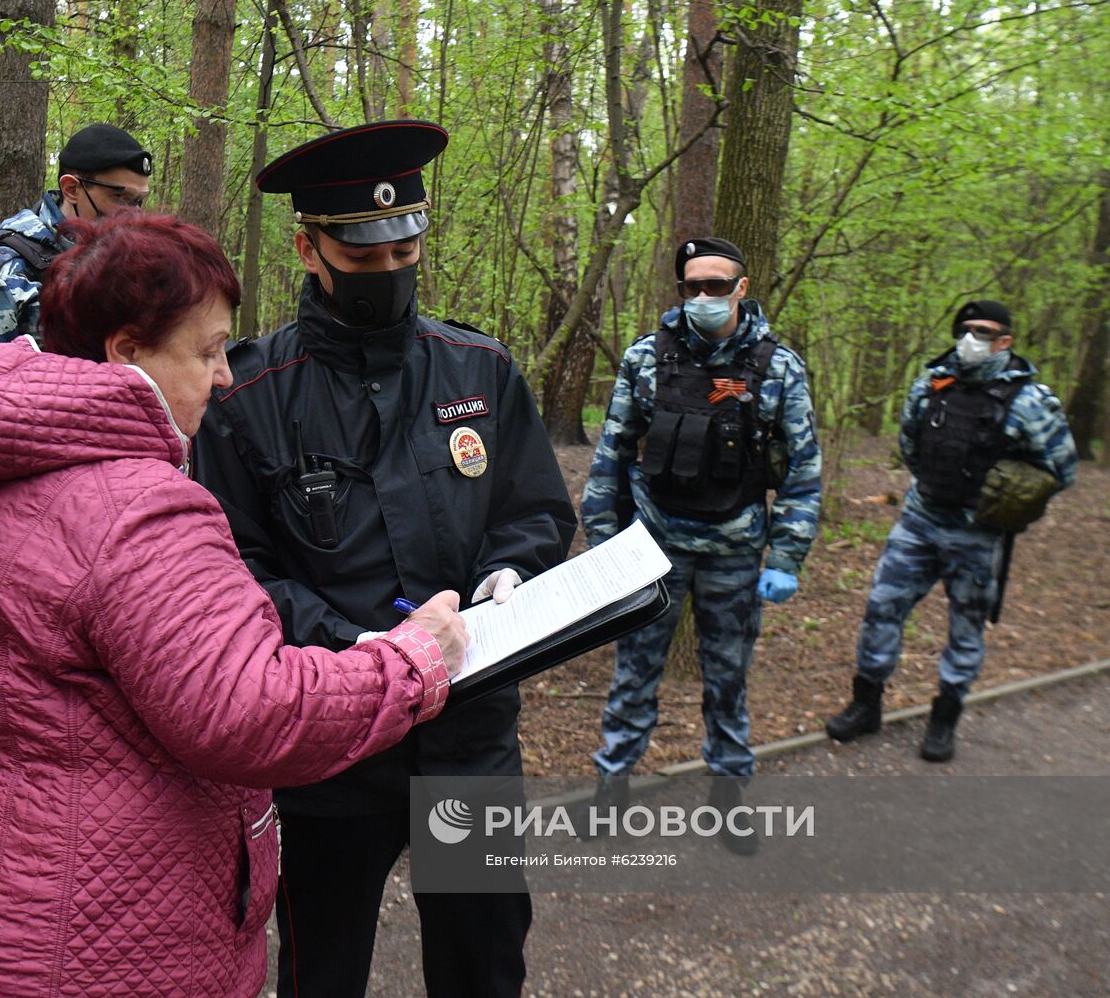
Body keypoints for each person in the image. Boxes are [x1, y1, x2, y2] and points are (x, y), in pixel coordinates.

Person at [0, 212, 467, 998]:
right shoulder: (145, 513)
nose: (226, 375)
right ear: (127, 353)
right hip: (117, 948)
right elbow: (249, 713)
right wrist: (412, 660)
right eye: (205, 352)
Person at [191, 120, 576, 998]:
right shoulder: (247, 399)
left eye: (406, 251)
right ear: (308, 247)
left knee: (482, 961)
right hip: (333, 746)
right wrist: (362, 646)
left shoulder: (478, 369)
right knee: (321, 968)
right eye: (364, 258)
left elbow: (534, 511)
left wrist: (509, 575)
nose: (390, 273)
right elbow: (234, 570)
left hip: (470, 736)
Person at [579, 237, 821, 851]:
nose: (706, 297)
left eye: (719, 285)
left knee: (728, 677)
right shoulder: (647, 359)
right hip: (651, 550)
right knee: (634, 674)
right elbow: (610, 458)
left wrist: (787, 557)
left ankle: (730, 796)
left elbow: (802, 471)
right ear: (682, 290)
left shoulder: (777, 367)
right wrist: (605, 547)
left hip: (736, 553)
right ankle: (611, 790)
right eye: (694, 286)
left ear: (742, 288)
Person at [825, 300, 1077, 761]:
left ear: (1005, 340)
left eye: (984, 331)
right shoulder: (930, 385)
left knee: (966, 628)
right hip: (920, 522)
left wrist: (1012, 496)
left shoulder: (1030, 401)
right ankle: (866, 704)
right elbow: (910, 446)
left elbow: (1060, 468)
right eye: (966, 328)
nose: (971, 338)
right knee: (882, 609)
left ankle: (945, 718)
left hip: (978, 534)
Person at [0, 123, 152, 479]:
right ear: (72, 188)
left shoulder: (121, 267)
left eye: (139, 201)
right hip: (11, 494)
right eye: (121, 199)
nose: (134, 215)